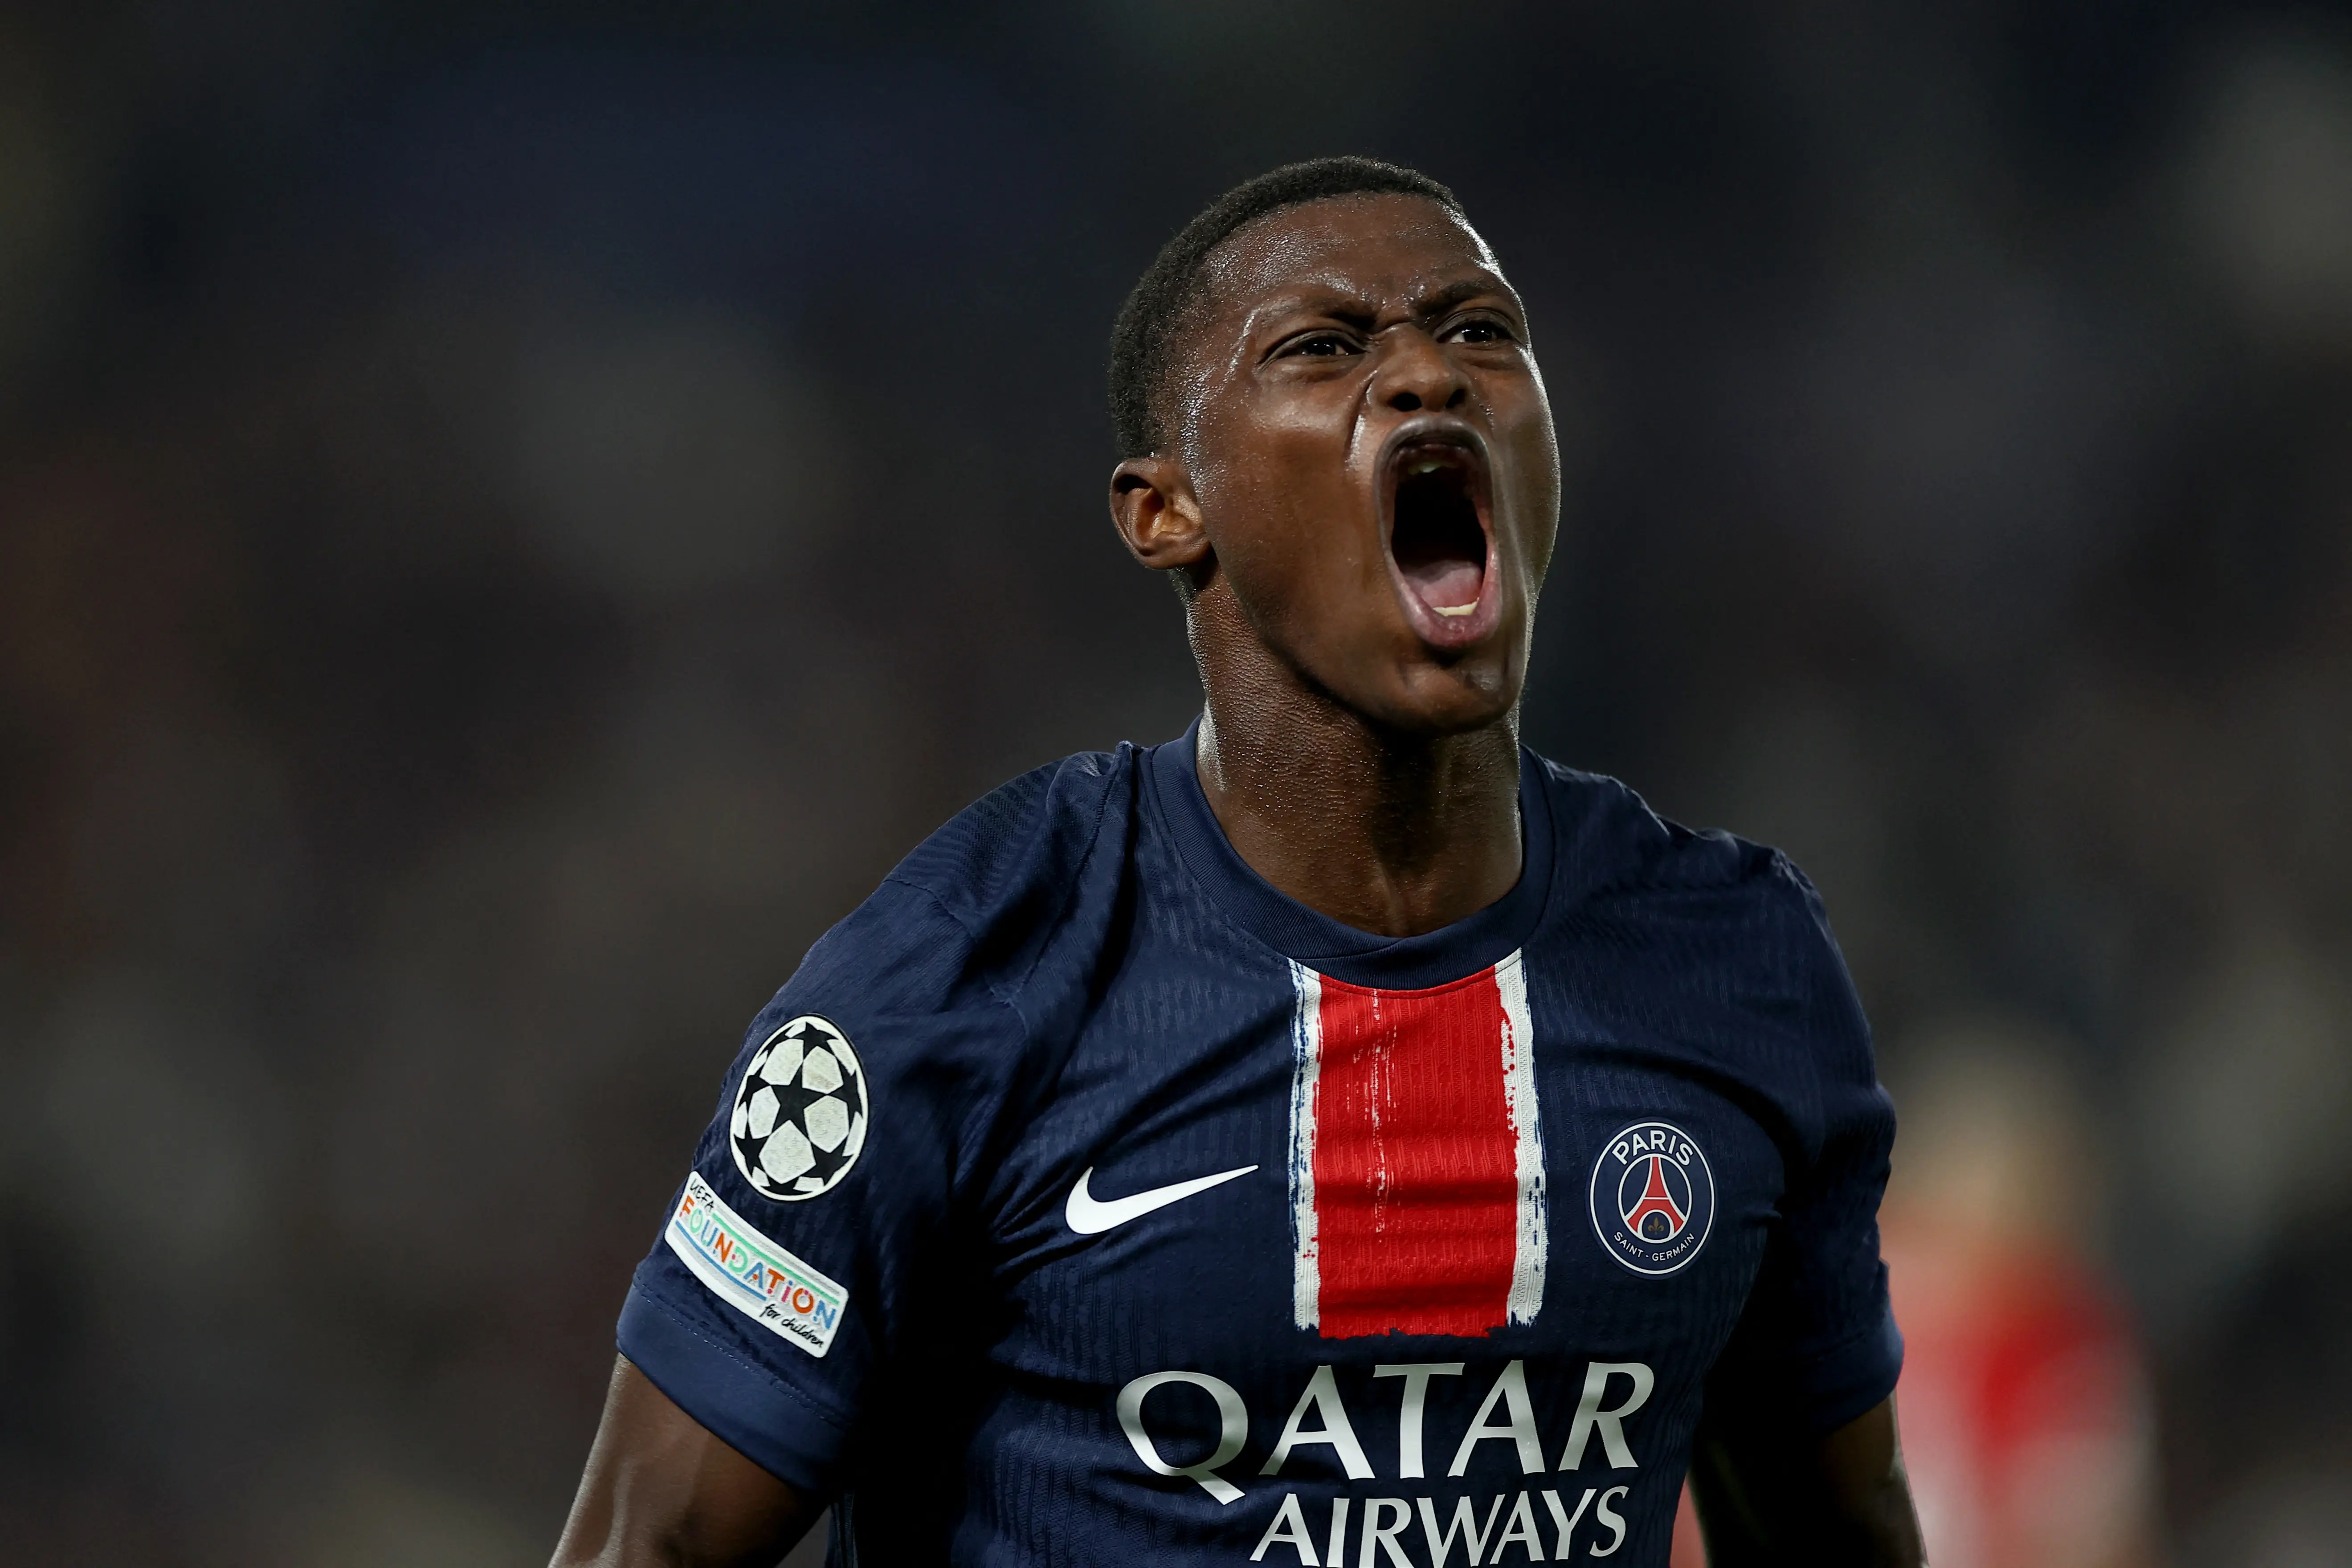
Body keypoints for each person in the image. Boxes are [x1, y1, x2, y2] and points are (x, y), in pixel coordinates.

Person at [550, 157, 1926, 1568]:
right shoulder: (956, 982)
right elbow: (646, 1546)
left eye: (1479, 330)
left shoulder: (1735, 963)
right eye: (1323, 348)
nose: (1427, 375)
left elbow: (1842, 1534)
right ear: (1167, 511)